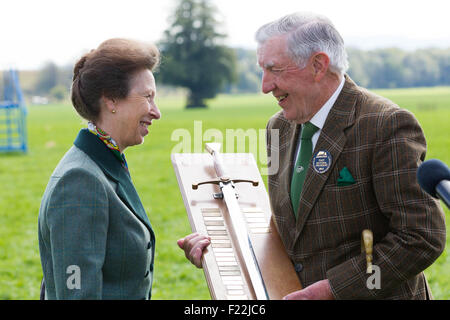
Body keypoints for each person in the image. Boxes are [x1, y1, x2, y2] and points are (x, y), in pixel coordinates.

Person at [178, 12, 446, 299]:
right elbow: (289, 230)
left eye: (275, 70)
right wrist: (220, 251)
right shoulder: (278, 127)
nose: (265, 86)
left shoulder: (385, 125)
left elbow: (421, 237)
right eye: (262, 71)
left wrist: (334, 289)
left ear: (318, 65)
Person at [38, 38, 161, 299]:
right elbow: (75, 292)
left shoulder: (104, 163)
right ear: (111, 100)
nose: (156, 111)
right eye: (147, 97)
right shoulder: (80, 180)